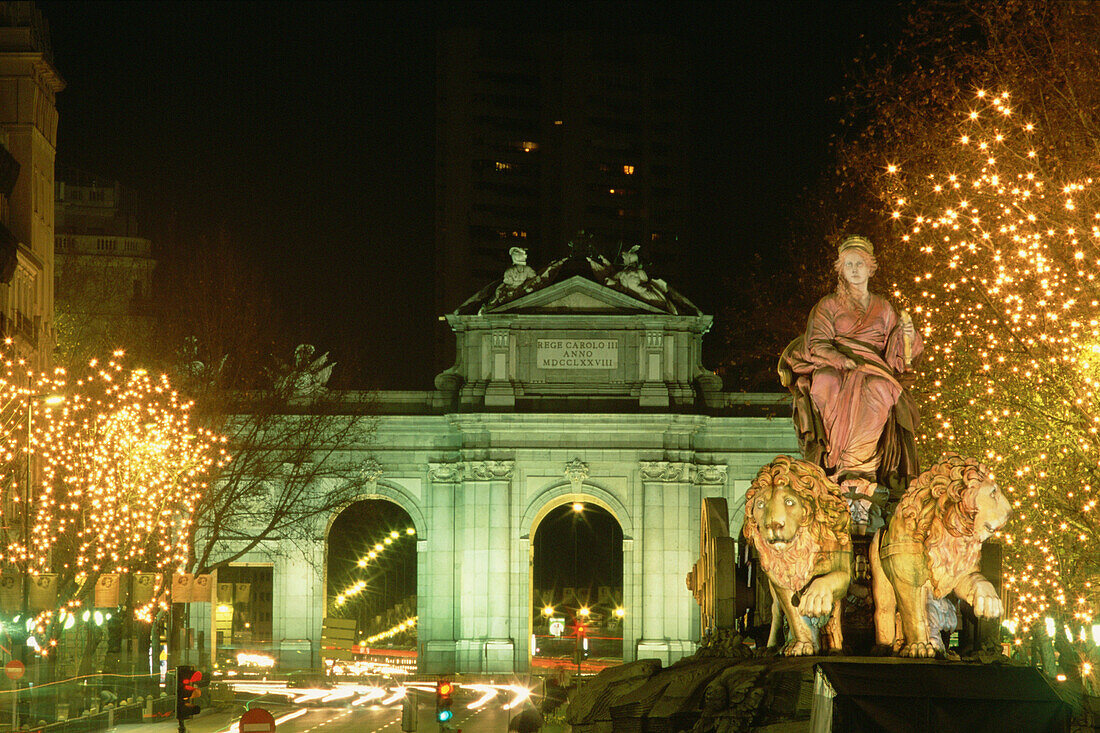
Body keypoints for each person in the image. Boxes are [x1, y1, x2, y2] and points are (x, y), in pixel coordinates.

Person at [779, 236, 922, 531]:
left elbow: (898, 356)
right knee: (826, 383)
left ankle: (864, 471)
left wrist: (907, 335)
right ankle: (836, 463)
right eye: (849, 265)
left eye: (860, 264)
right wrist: (840, 360)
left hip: (874, 369)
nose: (854, 269)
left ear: (871, 268)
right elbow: (816, 343)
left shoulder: (884, 308)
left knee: (880, 389)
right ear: (840, 270)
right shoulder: (827, 305)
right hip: (834, 364)